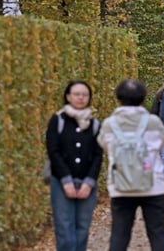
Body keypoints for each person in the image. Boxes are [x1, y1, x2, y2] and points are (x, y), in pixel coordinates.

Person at [99, 79, 164, 251]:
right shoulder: (152, 122)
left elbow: (103, 143)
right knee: (157, 233)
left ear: (119, 97)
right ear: (142, 97)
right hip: (152, 185)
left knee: (119, 233)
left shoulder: (110, 124)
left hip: (120, 185)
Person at [46, 81, 102, 251]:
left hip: (87, 182)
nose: (80, 98)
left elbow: (98, 155)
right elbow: (53, 151)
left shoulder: (94, 124)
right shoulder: (58, 120)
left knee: (82, 229)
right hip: (61, 182)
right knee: (64, 228)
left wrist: (89, 182)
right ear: (68, 96)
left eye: (84, 94)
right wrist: (65, 179)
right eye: (76, 94)